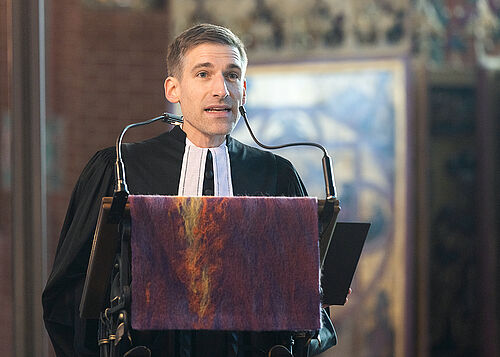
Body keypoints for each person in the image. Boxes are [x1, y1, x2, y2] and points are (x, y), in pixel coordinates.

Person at [42, 23, 337, 356]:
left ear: (244, 90)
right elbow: (70, 293)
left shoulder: (276, 176)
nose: (221, 90)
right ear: (173, 89)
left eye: (232, 75)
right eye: (203, 74)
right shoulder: (120, 168)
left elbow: (308, 308)